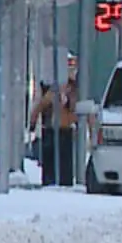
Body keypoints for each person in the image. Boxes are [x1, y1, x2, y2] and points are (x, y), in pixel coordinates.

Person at [31, 53, 80, 186]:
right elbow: (41, 105)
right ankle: (52, 181)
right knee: (53, 160)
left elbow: (79, 111)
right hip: (55, 130)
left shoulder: (75, 92)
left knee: (64, 163)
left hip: (67, 130)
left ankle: (62, 181)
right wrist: (32, 123)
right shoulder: (54, 91)